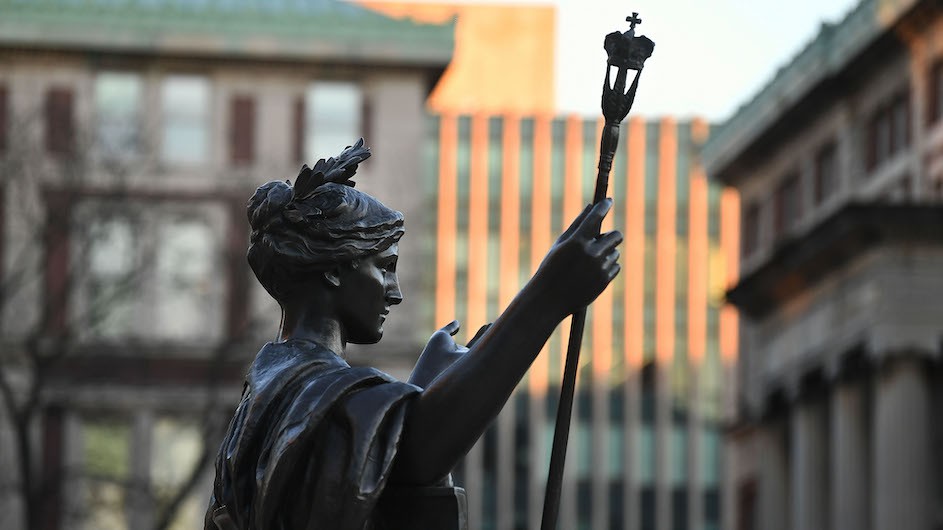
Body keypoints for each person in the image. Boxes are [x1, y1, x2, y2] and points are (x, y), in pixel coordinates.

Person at [205, 140, 622, 530]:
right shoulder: (310, 390)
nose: (395, 291)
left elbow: (378, 468)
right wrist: (547, 298)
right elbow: (419, 455)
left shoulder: (275, 388)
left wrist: (420, 390)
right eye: (384, 267)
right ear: (333, 268)